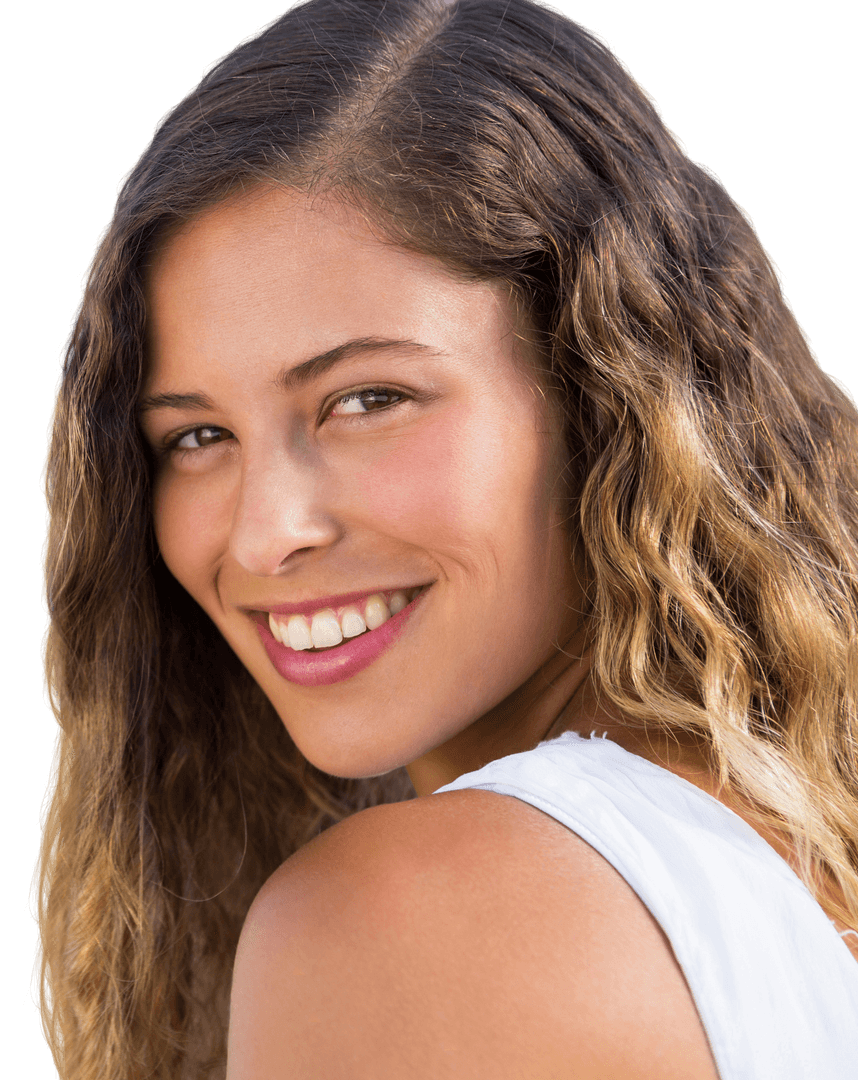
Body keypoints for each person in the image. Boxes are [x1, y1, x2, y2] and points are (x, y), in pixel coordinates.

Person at [32, 0, 858, 1076]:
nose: (266, 534)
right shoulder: (788, 855)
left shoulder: (399, 922)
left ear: (601, 396)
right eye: (196, 436)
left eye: (368, 399)